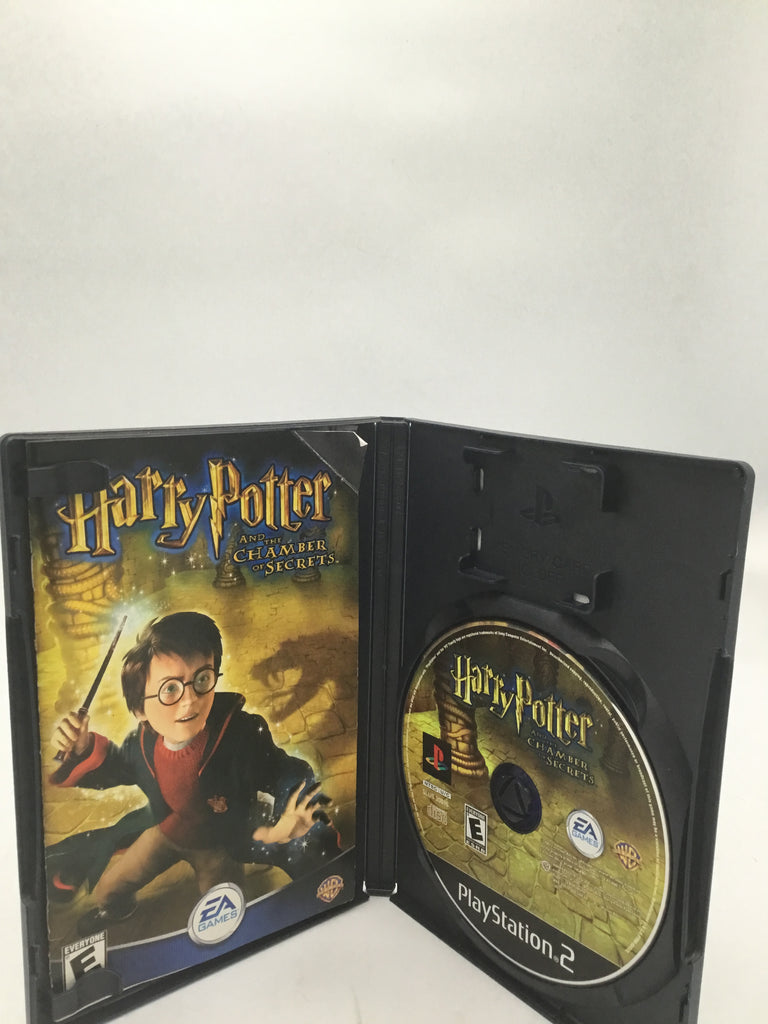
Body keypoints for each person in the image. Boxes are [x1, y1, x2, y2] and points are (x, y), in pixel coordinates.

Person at [50, 611, 338, 933]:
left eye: (202, 679)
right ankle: (117, 909)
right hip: (167, 832)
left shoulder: (240, 736)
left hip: (217, 846)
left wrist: (288, 815)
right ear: (140, 709)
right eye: (170, 689)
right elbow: (115, 767)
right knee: (108, 889)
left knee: (223, 913)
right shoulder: (143, 743)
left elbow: (282, 770)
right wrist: (83, 747)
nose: (190, 700)